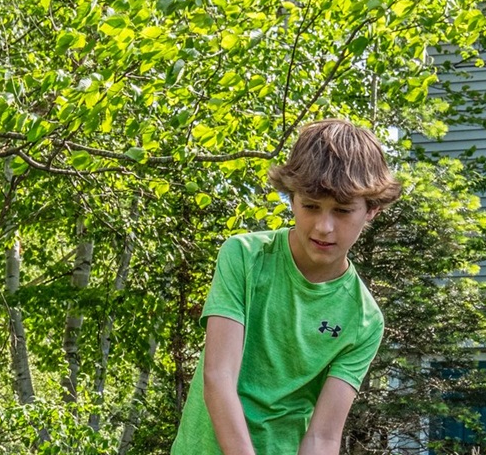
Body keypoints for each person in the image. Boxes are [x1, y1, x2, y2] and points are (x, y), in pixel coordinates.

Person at [171, 119, 402, 455]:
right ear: (291, 199)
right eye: (310, 206)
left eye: (342, 211)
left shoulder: (364, 320)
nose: (324, 227)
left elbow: (322, 437)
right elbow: (219, 379)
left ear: (372, 211)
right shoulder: (245, 258)